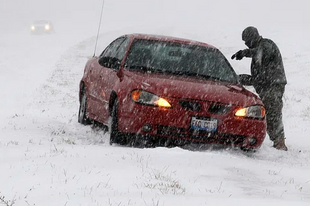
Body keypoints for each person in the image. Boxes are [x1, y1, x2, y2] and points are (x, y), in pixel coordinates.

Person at [231, 26, 288, 151]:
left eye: (247, 41)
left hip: (273, 86)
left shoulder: (267, 44)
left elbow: (261, 52)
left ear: (253, 37)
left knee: (273, 113)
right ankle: (277, 140)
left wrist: (244, 53)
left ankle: (279, 143)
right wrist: (237, 79)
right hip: (266, 86)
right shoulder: (258, 51)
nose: (246, 44)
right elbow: (258, 78)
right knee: (267, 114)